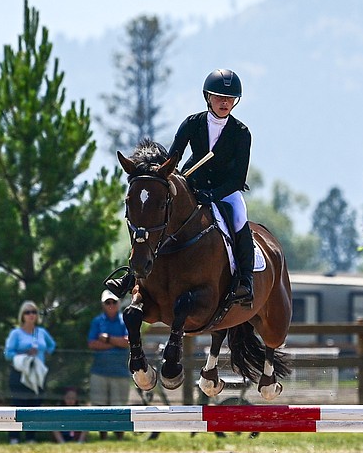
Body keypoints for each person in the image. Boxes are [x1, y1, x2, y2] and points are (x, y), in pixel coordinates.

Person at [106, 68, 255, 307]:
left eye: (229, 99)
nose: (224, 102)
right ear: (208, 97)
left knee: (239, 219)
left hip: (225, 191)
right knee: (157, 216)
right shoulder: (192, 123)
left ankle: (246, 280)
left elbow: (238, 178)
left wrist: (213, 194)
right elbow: (173, 157)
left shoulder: (241, 133)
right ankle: (132, 275)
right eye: (219, 96)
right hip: (192, 184)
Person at [3, 300, 56, 444]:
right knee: (18, 405)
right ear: (22, 315)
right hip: (20, 374)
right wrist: (25, 352)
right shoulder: (16, 333)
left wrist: (44, 354)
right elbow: (8, 353)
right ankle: (14, 437)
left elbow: (52, 346)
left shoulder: (42, 332)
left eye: (34, 312)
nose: (31, 315)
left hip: (37, 374)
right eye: (27, 312)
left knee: (34, 406)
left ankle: (30, 437)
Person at [87, 289, 131, 439]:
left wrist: (107, 339)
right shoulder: (97, 321)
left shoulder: (125, 320)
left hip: (121, 372)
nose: (111, 305)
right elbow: (92, 343)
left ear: (119, 304)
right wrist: (115, 343)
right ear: (103, 305)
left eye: (114, 302)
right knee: (99, 406)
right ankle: (103, 437)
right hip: (99, 371)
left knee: (119, 407)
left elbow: (127, 342)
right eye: (108, 302)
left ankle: (119, 437)